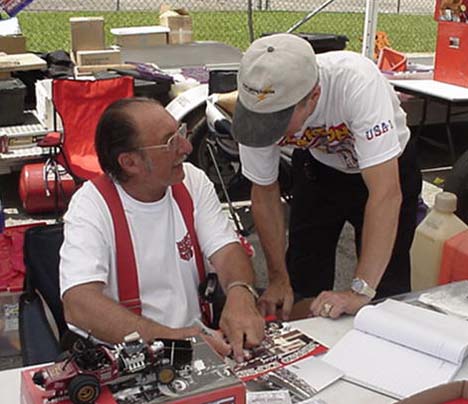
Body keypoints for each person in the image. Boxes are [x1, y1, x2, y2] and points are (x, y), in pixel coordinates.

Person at [232, 33, 422, 320]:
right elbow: (264, 193)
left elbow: (385, 194)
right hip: (319, 170)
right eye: (260, 120)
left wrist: (360, 291)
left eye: (277, 123)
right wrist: (277, 278)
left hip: (386, 169)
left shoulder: (356, 82)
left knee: (383, 292)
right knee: (301, 282)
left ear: (313, 98)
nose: (267, 132)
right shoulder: (255, 107)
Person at [59, 97, 264, 362]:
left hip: (203, 345)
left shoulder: (192, 181)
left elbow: (226, 250)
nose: (187, 147)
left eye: (180, 132)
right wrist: (174, 340)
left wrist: (240, 293)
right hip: (129, 356)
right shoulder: (92, 205)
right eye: (170, 142)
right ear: (130, 162)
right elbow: (79, 304)